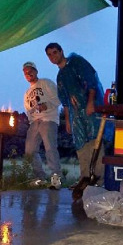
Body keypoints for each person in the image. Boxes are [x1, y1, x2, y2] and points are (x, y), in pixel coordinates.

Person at [45, 43, 105, 186]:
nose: (53, 56)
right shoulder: (60, 76)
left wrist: (91, 103)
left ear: (61, 51)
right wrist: (68, 119)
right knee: (80, 145)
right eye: (49, 55)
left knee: (95, 141)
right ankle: (84, 178)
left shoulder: (77, 62)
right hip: (75, 114)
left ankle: (98, 179)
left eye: (55, 52)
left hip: (89, 109)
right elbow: (64, 100)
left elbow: (91, 82)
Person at [22, 61, 62, 190]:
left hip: (48, 119)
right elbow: (28, 110)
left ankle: (56, 179)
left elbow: (58, 98)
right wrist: (31, 118)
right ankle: (39, 177)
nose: (29, 74)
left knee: (50, 148)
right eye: (26, 73)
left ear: (36, 71)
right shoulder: (27, 93)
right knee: (29, 151)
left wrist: (46, 106)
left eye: (31, 71)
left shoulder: (45, 82)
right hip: (35, 122)